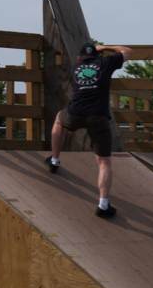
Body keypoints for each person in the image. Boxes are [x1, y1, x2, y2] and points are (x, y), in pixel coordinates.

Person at [45, 41, 132, 218]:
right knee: (104, 162)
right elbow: (128, 51)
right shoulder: (105, 63)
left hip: (75, 113)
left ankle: (54, 160)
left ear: (80, 57)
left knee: (59, 119)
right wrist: (106, 47)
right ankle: (103, 205)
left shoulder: (76, 66)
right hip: (98, 117)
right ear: (97, 55)